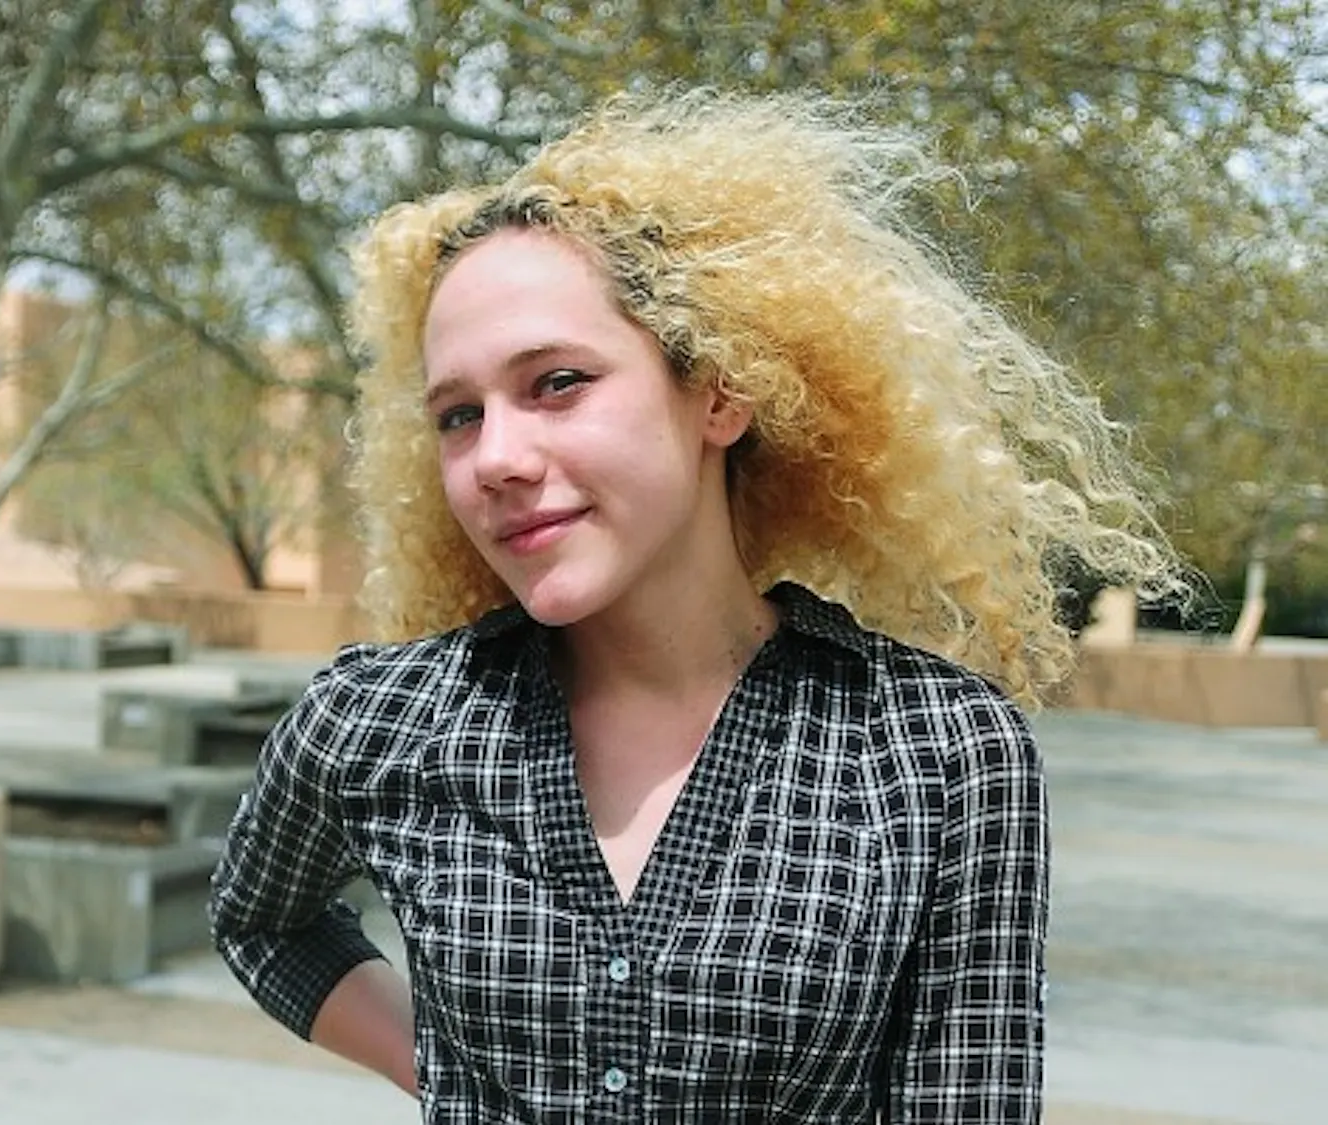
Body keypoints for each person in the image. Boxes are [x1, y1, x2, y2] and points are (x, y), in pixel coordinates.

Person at [209, 89, 1183, 1123]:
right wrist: (442, 1067)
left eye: (557, 383)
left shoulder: (938, 756)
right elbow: (262, 919)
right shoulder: (382, 719)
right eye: (458, 414)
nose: (495, 457)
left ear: (720, 392)